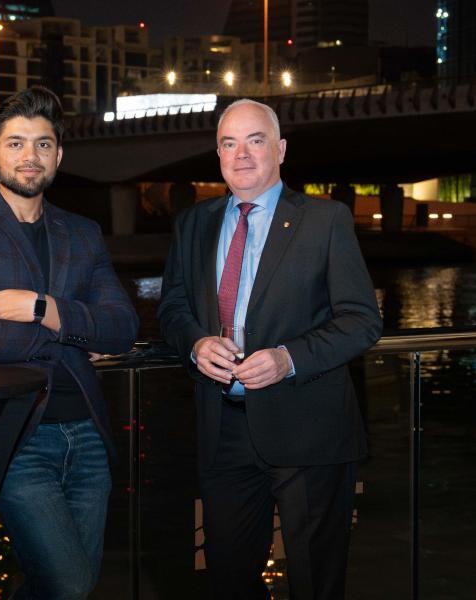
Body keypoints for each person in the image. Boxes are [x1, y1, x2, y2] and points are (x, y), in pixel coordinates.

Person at [157, 99, 382, 599]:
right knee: (228, 581)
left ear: (279, 149)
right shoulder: (193, 224)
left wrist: (288, 358)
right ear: (217, 155)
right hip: (223, 431)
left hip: (310, 431)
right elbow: (172, 306)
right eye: (229, 143)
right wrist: (195, 344)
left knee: (315, 583)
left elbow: (362, 321)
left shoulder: (325, 220)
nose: (242, 154)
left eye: (255, 140)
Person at [0, 86, 139, 599]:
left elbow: (123, 327)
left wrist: (42, 309)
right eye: (16, 143)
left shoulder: (83, 232)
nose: (30, 156)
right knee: (65, 582)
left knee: (76, 585)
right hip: (14, 435)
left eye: (43, 144)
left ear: (59, 156)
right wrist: (70, 335)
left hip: (88, 434)